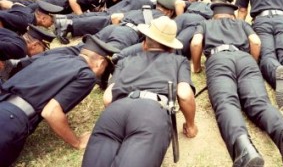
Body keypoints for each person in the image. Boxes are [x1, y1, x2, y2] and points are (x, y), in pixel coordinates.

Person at [190, 2, 283, 166]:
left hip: (219, 59)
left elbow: (196, 43)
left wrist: (196, 67)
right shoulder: (241, 23)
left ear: (214, 15)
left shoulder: (205, 23)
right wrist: (251, 62)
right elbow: (255, 41)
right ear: (232, 15)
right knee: (259, 102)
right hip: (245, 58)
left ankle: (244, 149)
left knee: (227, 103)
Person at [82, 17, 197, 167]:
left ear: (144, 44)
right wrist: (191, 125)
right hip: (150, 113)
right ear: (171, 48)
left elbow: (108, 97)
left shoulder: (124, 61)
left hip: (115, 111)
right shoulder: (179, 61)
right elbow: (185, 95)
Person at [0, 34, 119, 167]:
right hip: (10, 122)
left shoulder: (56, 56)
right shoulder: (86, 74)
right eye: (104, 69)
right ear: (101, 63)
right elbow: (51, 112)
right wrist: (77, 142)